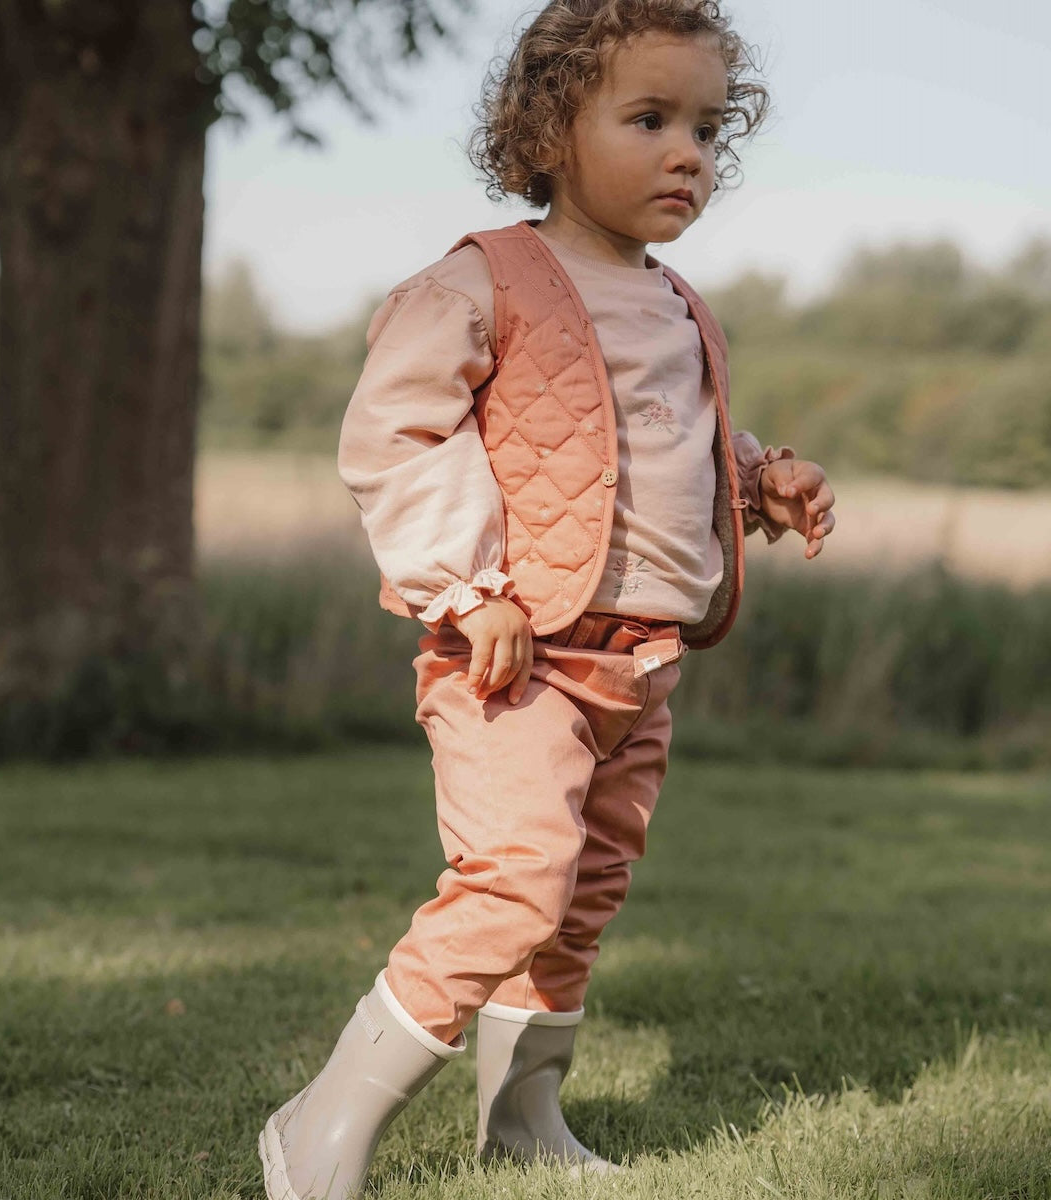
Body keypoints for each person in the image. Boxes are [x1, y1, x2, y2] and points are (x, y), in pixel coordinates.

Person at [259, 2, 837, 1197]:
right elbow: (397, 435)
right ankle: (318, 1126)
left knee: (580, 897)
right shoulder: (484, 282)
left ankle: (524, 1122)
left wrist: (760, 479)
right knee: (516, 878)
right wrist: (469, 588)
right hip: (514, 657)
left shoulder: (680, 306)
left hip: (643, 667)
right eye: (650, 119)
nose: (692, 151)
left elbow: (658, 447)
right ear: (548, 134)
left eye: (709, 127)